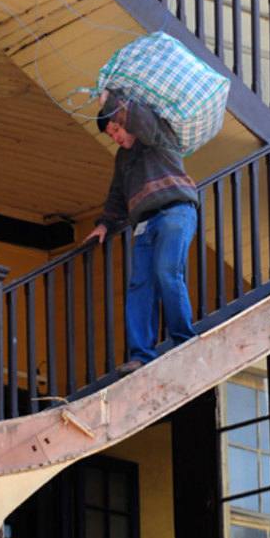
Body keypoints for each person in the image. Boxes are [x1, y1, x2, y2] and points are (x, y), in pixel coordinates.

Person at [84, 89, 198, 374]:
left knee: (165, 271)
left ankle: (184, 340)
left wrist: (110, 102)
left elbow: (141, 119)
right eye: (111, 134)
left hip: (175, 210)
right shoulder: (122, 160)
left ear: (127, 121)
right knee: (139, 286)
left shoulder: (156, 134)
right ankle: (141, 355)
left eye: (118, 128)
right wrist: (103, 225)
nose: (116, 137)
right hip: (144, 223)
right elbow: (116, 197)